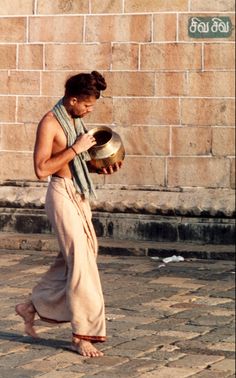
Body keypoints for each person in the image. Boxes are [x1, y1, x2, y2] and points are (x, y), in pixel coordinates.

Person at [15, 71, 121, 358]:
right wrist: (76, 148)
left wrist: (102, 167)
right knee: (81, 263)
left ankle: (31, 306)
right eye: (86, 106)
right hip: (60, 194)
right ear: (73, 99)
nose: (88, 111)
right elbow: (41, 169)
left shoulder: (75, 120)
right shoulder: (50, 123)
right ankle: (82, 333)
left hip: (78, 192)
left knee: (77, 257)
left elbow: (79, 164)